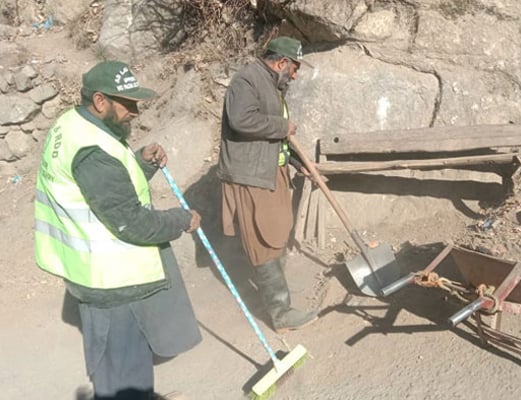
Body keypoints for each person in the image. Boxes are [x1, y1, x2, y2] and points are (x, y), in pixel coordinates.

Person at [34, 60, 202, 400]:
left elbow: (103, 190)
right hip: (112, 281)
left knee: (120, 375)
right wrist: (180, 220)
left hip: (97, 275)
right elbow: (130, 221)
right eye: (127, 104)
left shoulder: (72, 126)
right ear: (100, 101)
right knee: (124, 381)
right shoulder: (93, 152)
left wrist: (139, 161)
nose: (135, 112)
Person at [218, 36, 318, 333]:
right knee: (263, 240)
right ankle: (280, 313)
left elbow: (277, 142)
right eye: (295, 68)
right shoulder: (247, 80)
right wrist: (281, 126)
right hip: (251, 176)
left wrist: (300, 166)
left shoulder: (272, 86)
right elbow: (241, 120)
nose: (296, 76)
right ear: (282, 62)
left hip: (269, 173)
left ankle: (279, 298)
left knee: (275, 234)